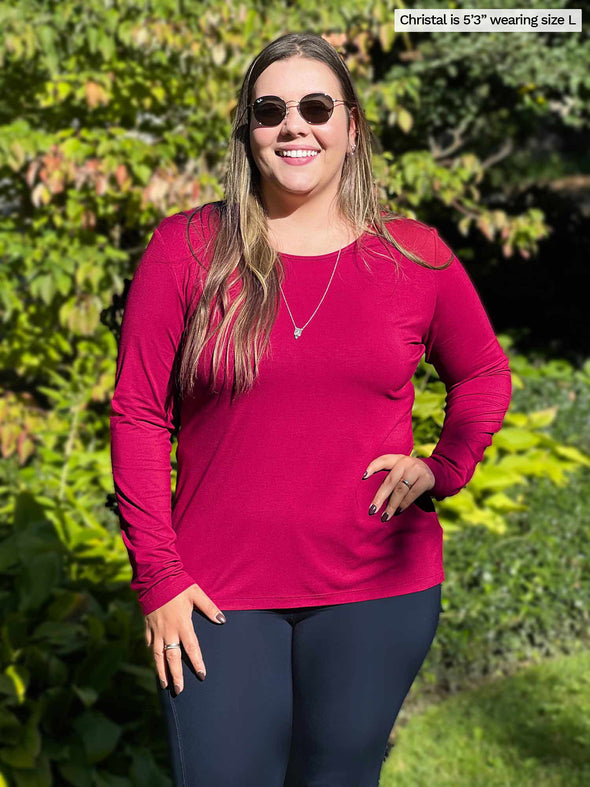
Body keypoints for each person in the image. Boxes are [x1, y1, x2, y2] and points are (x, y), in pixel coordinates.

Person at [109, 31, 512, 787]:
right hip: (214, 595)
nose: (295, 126)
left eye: (317, 106)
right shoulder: (188, 248)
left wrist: (444, 465)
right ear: (248, 130)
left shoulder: (414, 256)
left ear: (351, 127)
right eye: (272, 110)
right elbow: (137, 412)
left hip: (377, 592)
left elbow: (485, 373)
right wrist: (158, 578)